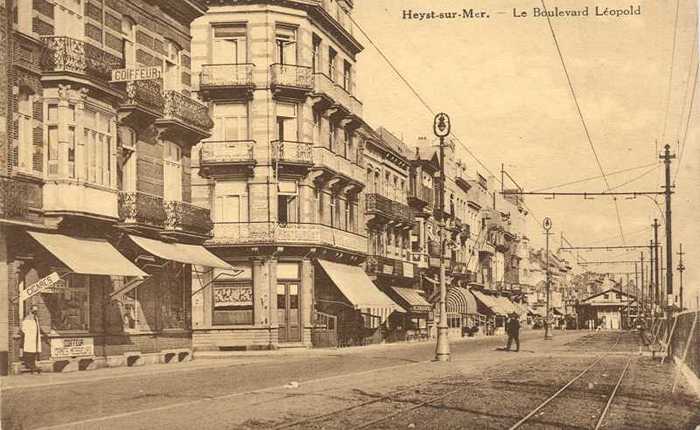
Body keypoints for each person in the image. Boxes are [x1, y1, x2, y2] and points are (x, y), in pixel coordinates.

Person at [21, 305, 43, 374]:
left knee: (34, 351)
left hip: (35, 338)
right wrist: (29, 334)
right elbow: (23, 328)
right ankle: (29, 365)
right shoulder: (27, 319)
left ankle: (33, 364)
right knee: (29, 351)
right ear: (30, 311)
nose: (35, 313)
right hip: (29, 338)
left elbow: (38, 328)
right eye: (33, 311)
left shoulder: (35, 319)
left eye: (36, 312)